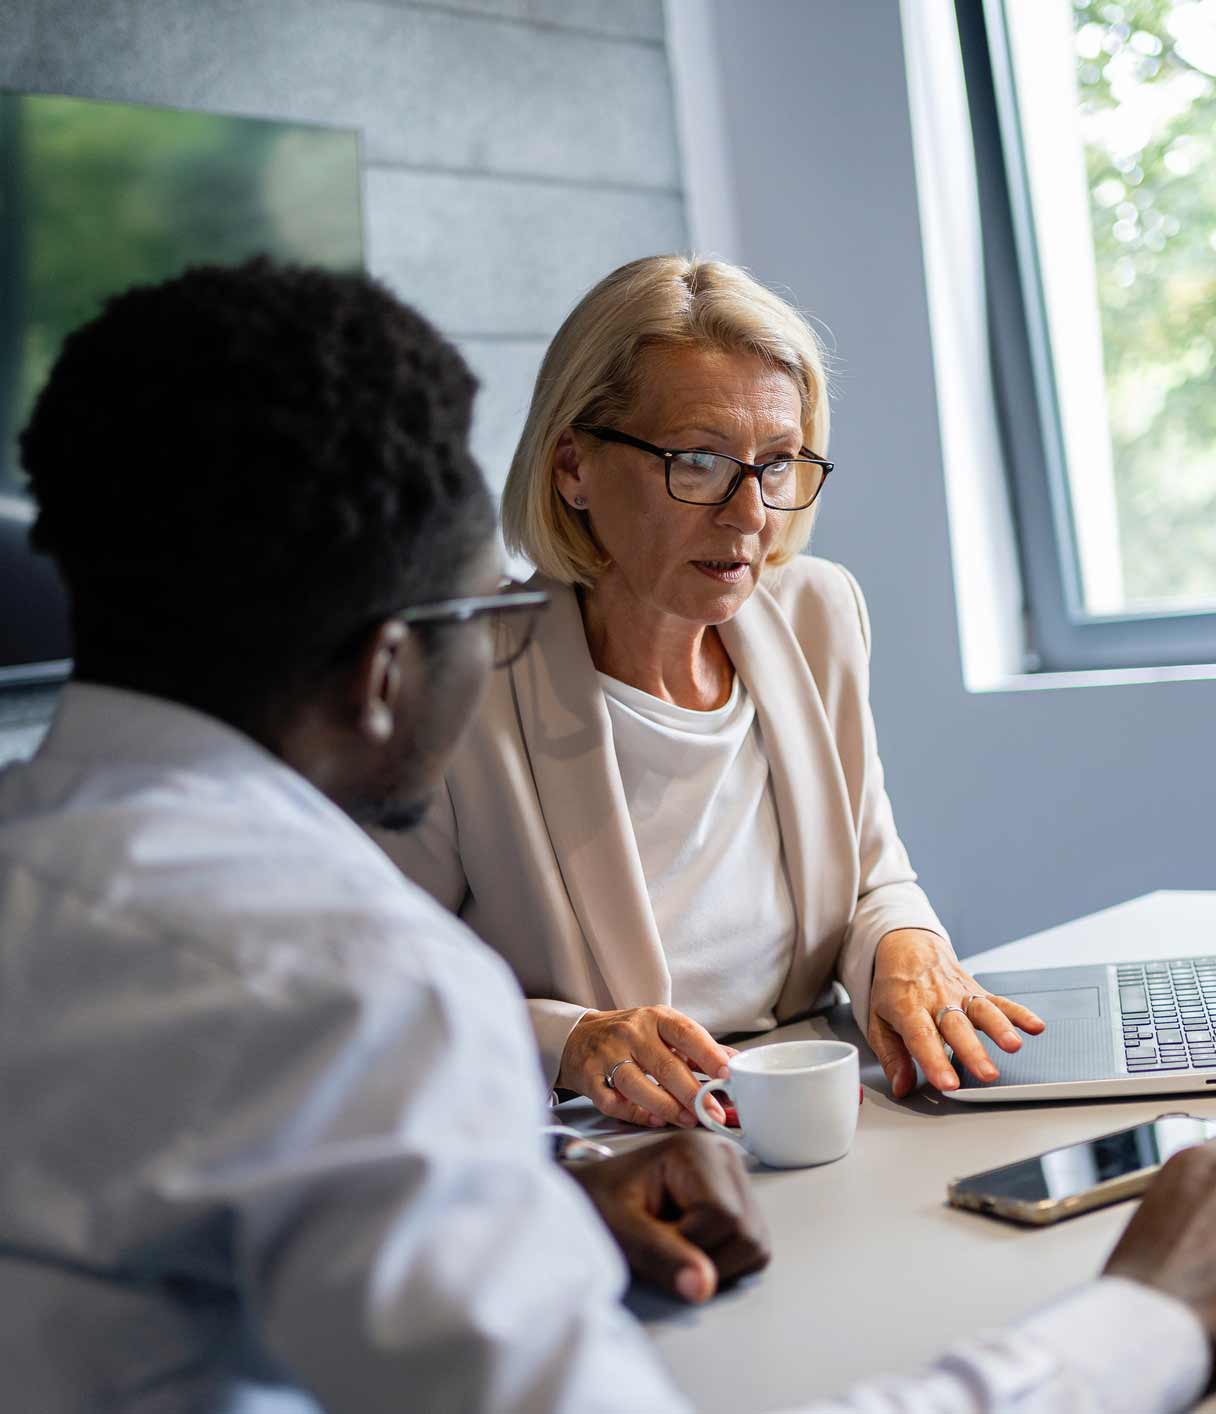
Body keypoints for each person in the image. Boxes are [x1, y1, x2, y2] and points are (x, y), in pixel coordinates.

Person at [0, 259, 1216, 1413]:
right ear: (396, 652)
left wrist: (535, 1208)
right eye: (480, 602)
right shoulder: (334, 973)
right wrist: (1159, 1301)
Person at [375, 254, 1038, 1128]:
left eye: (776, 464)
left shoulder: (816, 611)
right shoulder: (456, 673)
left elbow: (872, 875)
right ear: (572, 464)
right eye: (697, 461)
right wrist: (568, 1042)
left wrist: (907, 943)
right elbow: (380, 979)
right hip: (603, 1144)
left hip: (813, 1103)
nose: (750, 514)